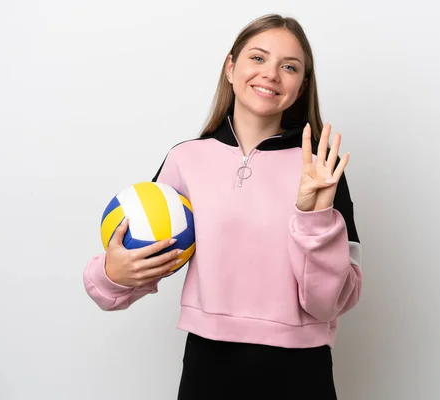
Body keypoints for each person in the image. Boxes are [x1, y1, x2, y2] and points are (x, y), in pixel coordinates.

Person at [83, 13, 362, 400]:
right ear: (231, 67)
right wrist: (111, 274)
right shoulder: (185, 160)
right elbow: (135, 264)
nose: (271, 74)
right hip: (208, 365)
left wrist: (314, 218)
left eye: (289, 66)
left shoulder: (320, 167)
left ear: (301, 86)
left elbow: (328, 302)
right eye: (258, 58)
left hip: (301, 370)